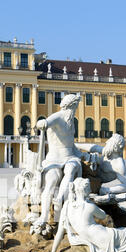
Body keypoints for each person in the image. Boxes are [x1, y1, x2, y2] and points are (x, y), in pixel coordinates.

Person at [34, 94, 93, 225]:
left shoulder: (71, 122)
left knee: (71, 169)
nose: (76, 109)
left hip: (70, 156)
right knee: (52, 180)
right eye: (75, 106)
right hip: (54, 158)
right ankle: (43, 217)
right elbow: (45, 122)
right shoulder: (58, 117)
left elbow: (71, 145)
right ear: (70, 106)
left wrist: (84, 155)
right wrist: (42, 123)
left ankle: (59, 201)